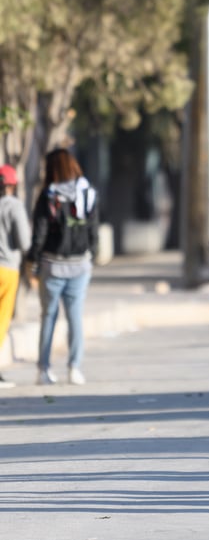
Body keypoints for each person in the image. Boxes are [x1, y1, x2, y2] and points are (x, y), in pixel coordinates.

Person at [26, 149, 99, 386]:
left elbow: (40, 232)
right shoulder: (87, 193)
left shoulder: (49, 196)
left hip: (52, 266)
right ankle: (74, 368)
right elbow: (94, 229)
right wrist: (92, 256)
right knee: (75, 316)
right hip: (80, 266)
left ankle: (44, 370)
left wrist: (32, 260)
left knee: (48, 316)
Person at [0, 164, 31, 388]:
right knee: (1, 322)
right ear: (11, 185)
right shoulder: (14, 206)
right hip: (6, 269)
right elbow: (25, 242)